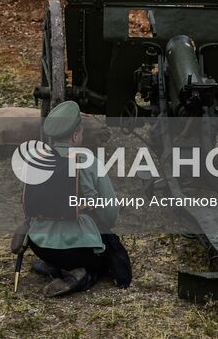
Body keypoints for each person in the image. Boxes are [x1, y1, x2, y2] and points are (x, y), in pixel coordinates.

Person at [24, 101, 132, 297]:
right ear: (75, 135)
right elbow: (110, 212)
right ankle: (82, 276)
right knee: (111, 256)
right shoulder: (88, 161)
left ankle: (54, 266)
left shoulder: (37, 160)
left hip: (39, 244)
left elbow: (29, 203)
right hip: (78, 249)